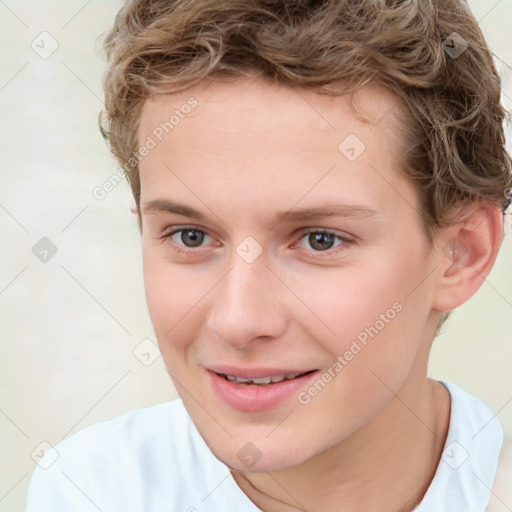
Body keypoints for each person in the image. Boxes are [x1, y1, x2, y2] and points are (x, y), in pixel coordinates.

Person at [26, 0, 512, 510]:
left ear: (462, 253)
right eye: (191, 236)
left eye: (319, 240)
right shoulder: (88, 490)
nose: (238, 321)